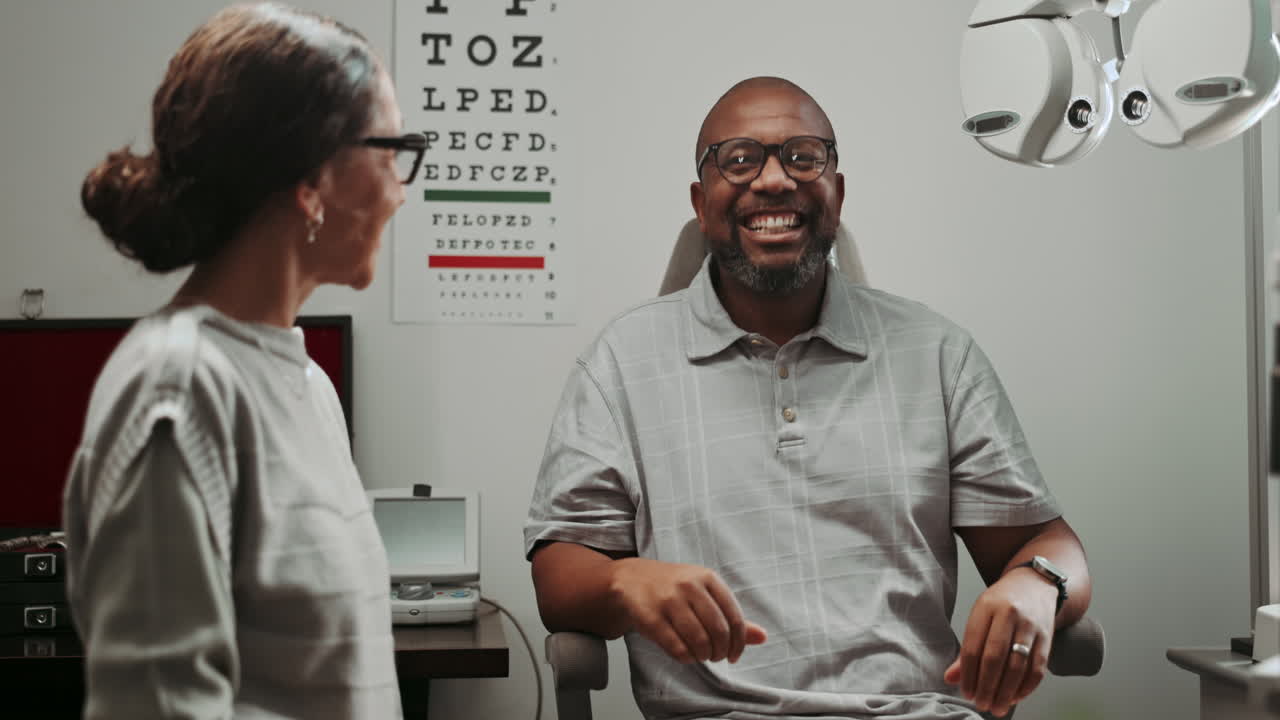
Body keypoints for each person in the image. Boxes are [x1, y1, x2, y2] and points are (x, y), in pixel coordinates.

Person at [525, 76, 1092, 720]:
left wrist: (1036, 583)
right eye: (738, 160)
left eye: (803, 157)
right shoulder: (621, 363)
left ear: (837, 193)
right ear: (701, 201)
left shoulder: (936, 354)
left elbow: (1049, 541)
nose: (773, 181)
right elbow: (559, 577)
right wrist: (624, 581)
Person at [63, 4, 426, 718]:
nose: (400, 190)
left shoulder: (305, 381)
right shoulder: (178, 386)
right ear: (311, 180)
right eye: (391, 154)